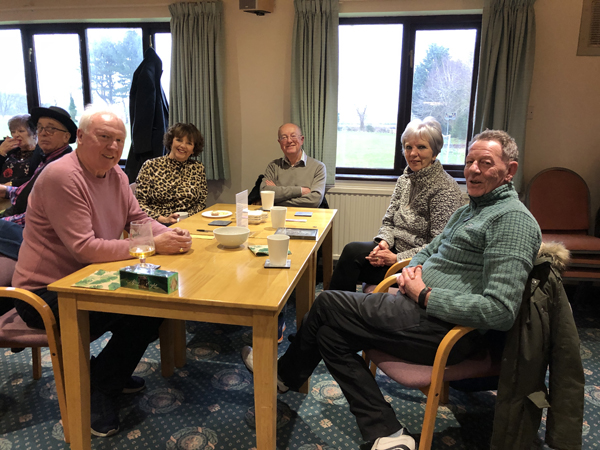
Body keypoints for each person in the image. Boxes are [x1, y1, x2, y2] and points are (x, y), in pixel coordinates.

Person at [242, 129, 542, 450]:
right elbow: (430, 249)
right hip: (416, 311)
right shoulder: (472, 208)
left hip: (444, 329)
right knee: (330, 334)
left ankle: (284, 376)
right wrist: (412, 269)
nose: (473, 169)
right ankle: (388, 433)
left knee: (327, 303)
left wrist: (424, 294)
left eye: (486, 162)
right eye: (470, 161)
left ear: (510, 170)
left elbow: (500, 310)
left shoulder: (512, 221)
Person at [12, 104, 193, 437]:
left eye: (119, 140)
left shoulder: (117, 176)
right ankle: (101, 388)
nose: (113, 147)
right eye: (104, 137)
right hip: (45, 293)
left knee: (159, 301)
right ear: (80, 137)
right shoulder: (62, 176)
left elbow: (137, 220)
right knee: (141, 308)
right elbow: (86, 248)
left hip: (90, 279)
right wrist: (154, 246)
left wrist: (170, 234)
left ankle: (106, 374)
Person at [329, 117, 463, 292]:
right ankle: (337, 308)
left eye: (421, 147)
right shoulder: (405, 180)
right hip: (393, 249)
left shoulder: (445, 189)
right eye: (409, 147)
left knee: (350, 266)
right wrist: (383, 243)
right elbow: (389, 221)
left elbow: (438, 245)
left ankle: (337, 309)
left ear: (435, 152)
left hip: (416, 264)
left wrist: (396, 258)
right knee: (351, 252)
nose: (413, 153)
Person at [0, 106, 76, 225]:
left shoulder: (62, 167)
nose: (43, 133)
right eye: (40, 128)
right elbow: (29, 193)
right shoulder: (47, 158)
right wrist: (6, 190)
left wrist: (5, 223)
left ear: (66, 136)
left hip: (26, 227)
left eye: (50, 129)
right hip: (15, 211)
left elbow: (41, 217)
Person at [135, 123, 208, 225]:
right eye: (179, 140)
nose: (183, 146)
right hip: (157, 224)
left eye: (189, 143)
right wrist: (162, 219)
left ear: (193, 149)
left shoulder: (198, 168)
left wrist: (187, 219)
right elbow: (139, 204)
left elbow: (201, 203)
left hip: (188, 223)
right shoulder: (150, 166)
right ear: (171, 142)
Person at [260, 123, 326, 208]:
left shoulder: (318, 167)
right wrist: (300, 191)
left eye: (293, 136)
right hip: (278, 216)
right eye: (284, 137)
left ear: (301, 140)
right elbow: (265, 193)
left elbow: (314, 201)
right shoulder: (273, 166)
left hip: (308, 219)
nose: (289, 141)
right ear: (279, 142)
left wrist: (277, 198)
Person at [0, 114, 41, 186]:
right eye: (13, 132)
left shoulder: (42, 153)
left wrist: (12, 184)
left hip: (20, 193)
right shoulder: (10, 149)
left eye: (21, 131)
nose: (16, 135)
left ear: (34, 133)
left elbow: (38, 177)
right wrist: (1, 153)